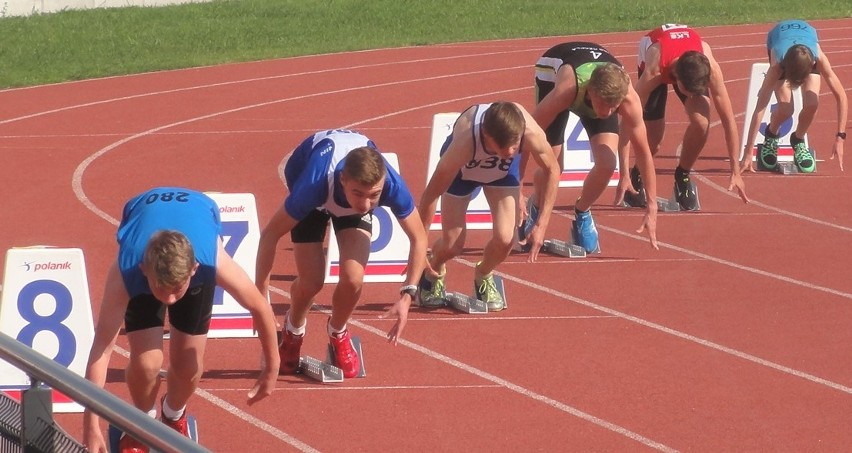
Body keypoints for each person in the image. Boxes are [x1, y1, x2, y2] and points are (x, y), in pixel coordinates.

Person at [83, 187, 280, 453]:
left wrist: (271, 369)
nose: (170, 299)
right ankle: (143, 421)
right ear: (144, 270)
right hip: (145, 227)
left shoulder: (212, 261)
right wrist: (90, 426)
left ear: (194, 270)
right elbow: (102, 349)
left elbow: (260, 307)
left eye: (177, 289)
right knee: (146, 363)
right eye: (162, 289)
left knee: (188, 364)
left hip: (198, 217)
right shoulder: (127, 270)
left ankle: (173, 415)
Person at [255, 129, 427, 379]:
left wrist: (408, 294)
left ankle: (338, 332)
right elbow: (269, 235)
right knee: (312, 281)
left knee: (354, 277)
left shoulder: (389, 183)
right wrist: (261, 298)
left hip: (340, 193)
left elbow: (419, 238)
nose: (366, 204)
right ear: (344, 179)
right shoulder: (312, 185)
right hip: (310, 188)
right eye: (359, 193)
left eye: (374, 196)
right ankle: (294, 331)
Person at [417, 101, 561, 312]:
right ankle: (433, 268)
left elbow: (552, 169)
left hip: (501, 173)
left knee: (505, 239)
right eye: (504, 148)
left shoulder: (529, 134)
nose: (512, 151)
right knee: (452, 245)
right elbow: (431, 194)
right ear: (486, 134)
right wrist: (419, 246)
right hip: (462, 174)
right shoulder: (465, 143)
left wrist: (542, 223)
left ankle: (483, 273)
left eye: (515, 145)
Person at [525, 41, 659, 253]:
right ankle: (535, 206)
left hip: (595, 81)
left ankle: (582, 211)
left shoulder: (627, 99)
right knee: (553, 166)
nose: (607, 112)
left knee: (607, 163)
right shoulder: (566, 90)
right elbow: (527, 132)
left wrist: (652, 206)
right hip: (554, 76)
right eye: (603, 104)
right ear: (591, 93)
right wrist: (514, 188)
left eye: (613, 107)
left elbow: (643, 153)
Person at [624, 23, 748, 211]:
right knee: (654, 140)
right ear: (677, 80)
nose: (691, 97)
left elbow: (728, 120)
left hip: (688, 57)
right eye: (688, 92)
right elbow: (626, 120)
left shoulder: (710, 66)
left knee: (702, 122)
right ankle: (637, 172)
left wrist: (735, 171)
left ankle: (682, 174)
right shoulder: (655, 70)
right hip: (657, 50)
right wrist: (623, 172)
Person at [741, 19, 847, 173]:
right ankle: (771, 136)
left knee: (812, 103)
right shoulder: (777, 65)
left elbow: (841, 96)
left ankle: (798, 140)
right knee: (786, 108)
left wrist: (840, 137)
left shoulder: (818, 58)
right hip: (780, 41)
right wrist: (748, 153)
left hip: (804, 46)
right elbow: (760, 107)